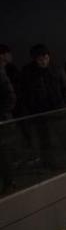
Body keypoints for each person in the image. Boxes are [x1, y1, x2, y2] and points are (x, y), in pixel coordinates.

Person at [20, 44, 66, 168]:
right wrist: (32, 110)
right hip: (40, 114)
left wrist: (63, 105)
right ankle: (51, 165)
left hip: (59, 112)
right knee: (46, 142)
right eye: (40, 59)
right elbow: (24, 93)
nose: (44, 61)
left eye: (46, 58)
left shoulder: (56, 69)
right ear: (34, 59)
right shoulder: (28, 72)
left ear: (49, 56)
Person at [0, 52, 16, 192]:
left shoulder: (2, 73)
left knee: (4, 152)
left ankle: (9, 183)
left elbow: (10, 96)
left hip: (3, 121)